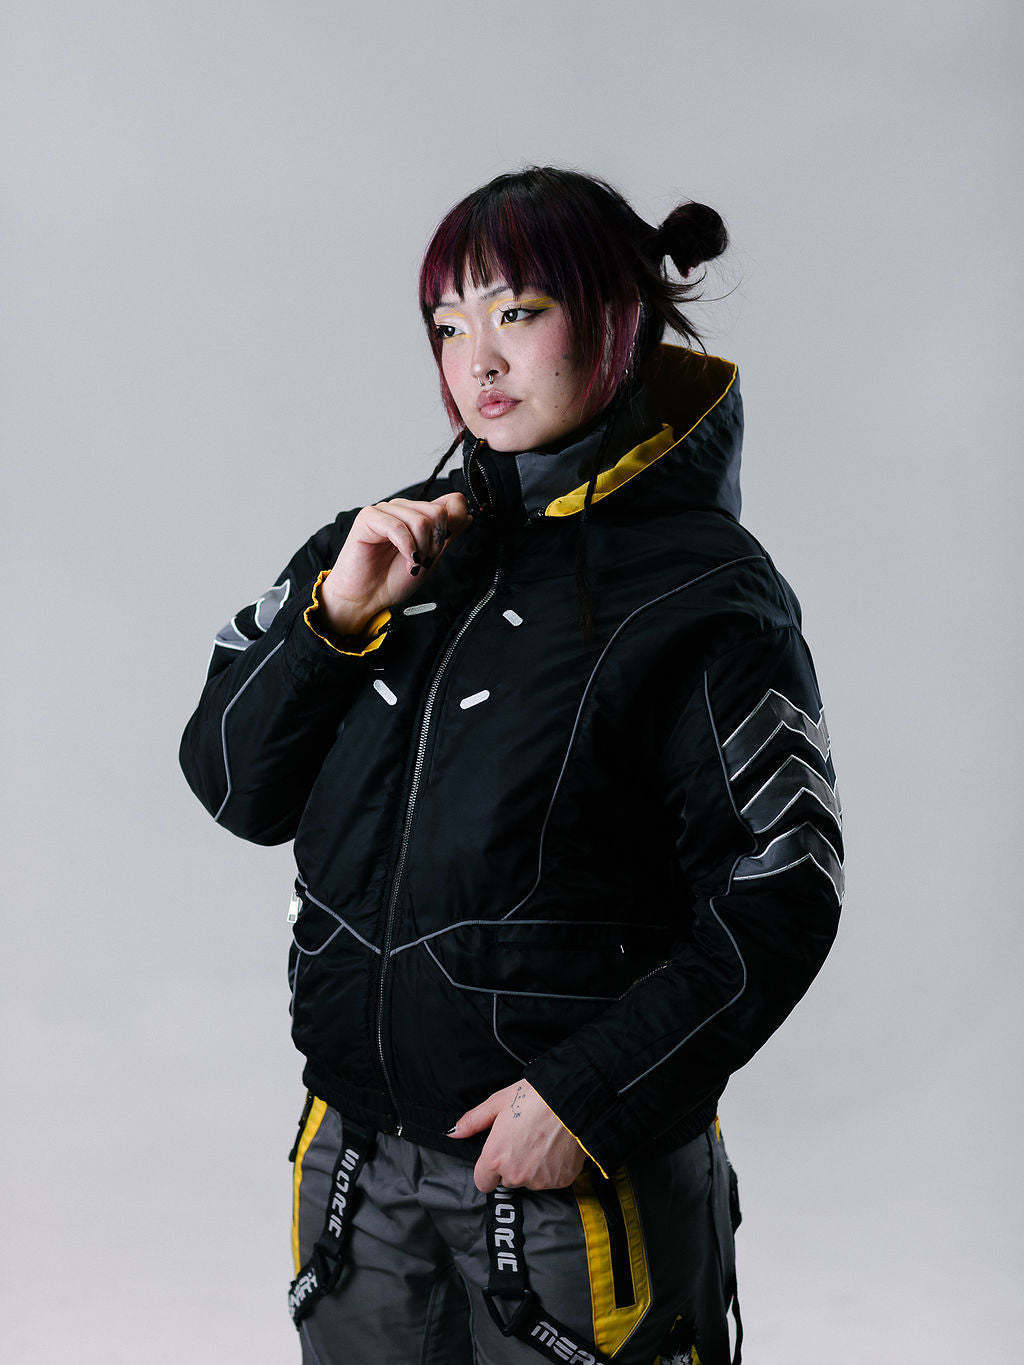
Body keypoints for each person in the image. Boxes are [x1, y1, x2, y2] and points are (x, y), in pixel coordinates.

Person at [179, 166, 844, 1365]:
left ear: (620, 318)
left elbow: (783, 887)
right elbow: (234, 790)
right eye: (448, 326)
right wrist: (333, 625)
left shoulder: (705, 590)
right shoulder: (383, 545)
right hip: (356, 1177)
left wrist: (591, 1098)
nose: (476, 361)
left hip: (574, 1192)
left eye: (518, 313)